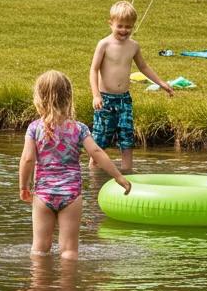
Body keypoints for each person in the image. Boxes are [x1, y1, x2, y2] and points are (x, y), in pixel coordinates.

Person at [19, 70, 132, 260]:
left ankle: (39, 287)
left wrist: (24, 186)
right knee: (70, 250)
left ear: (39, 98)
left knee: (39, 248)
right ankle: (68, 288)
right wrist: (118, 176)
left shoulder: (34, 128)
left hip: (43, 195)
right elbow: (96, 153)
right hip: (71, 195)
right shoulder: (78, 128)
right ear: (68, 97)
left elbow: (28, 159)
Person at [89, 0, 175, 174]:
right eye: (120, 26)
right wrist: (96, 95)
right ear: (110, 23)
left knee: (127, 139)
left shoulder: (133, 46)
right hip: (105, 99)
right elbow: (93, 69)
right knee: (100, 139)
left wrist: (161, 83)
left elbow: (143, 67)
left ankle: (127, 173)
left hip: (124, 100)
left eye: (128, 27)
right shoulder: (104, 44)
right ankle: (93, 174)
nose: (124, 30)